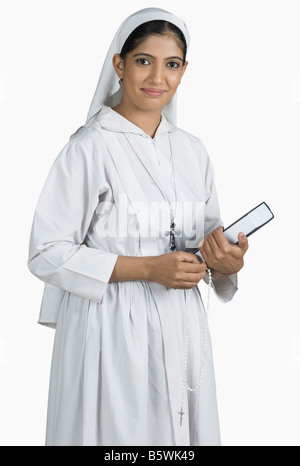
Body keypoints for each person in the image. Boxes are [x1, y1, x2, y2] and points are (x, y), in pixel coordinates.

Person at [27, 7, 248, 447]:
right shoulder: (88, 148)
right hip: (108, 328)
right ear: (120, 64)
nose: (157, 77)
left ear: (184, 71)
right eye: (144, 60)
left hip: (182, 328)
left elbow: (207, 250)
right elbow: (45, 252)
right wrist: (148, 269)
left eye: (172, 64)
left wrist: (227, 262)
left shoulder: (192, 152)